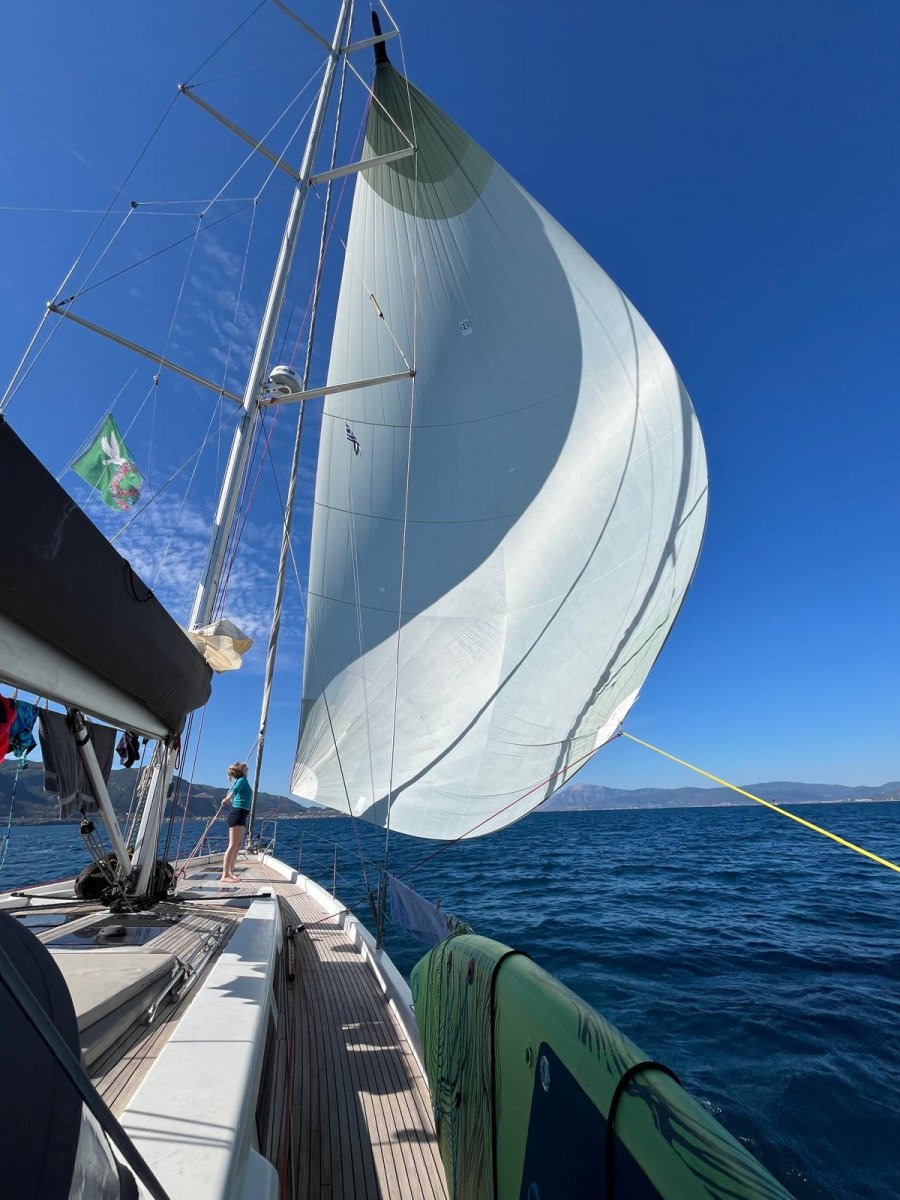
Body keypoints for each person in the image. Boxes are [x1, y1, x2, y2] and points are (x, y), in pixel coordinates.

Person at [221, 761, 252, 883]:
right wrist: (228, 799)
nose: (248, 767)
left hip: (242, 813)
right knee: (232, 845)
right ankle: (225, 875)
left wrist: (228, 796)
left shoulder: (240, 780)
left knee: (237, 845)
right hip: (238, 813)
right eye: (246, 766)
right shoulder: (242, 780)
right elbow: (234, 791)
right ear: (242, 770)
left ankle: (230, 872)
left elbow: (232, 790)